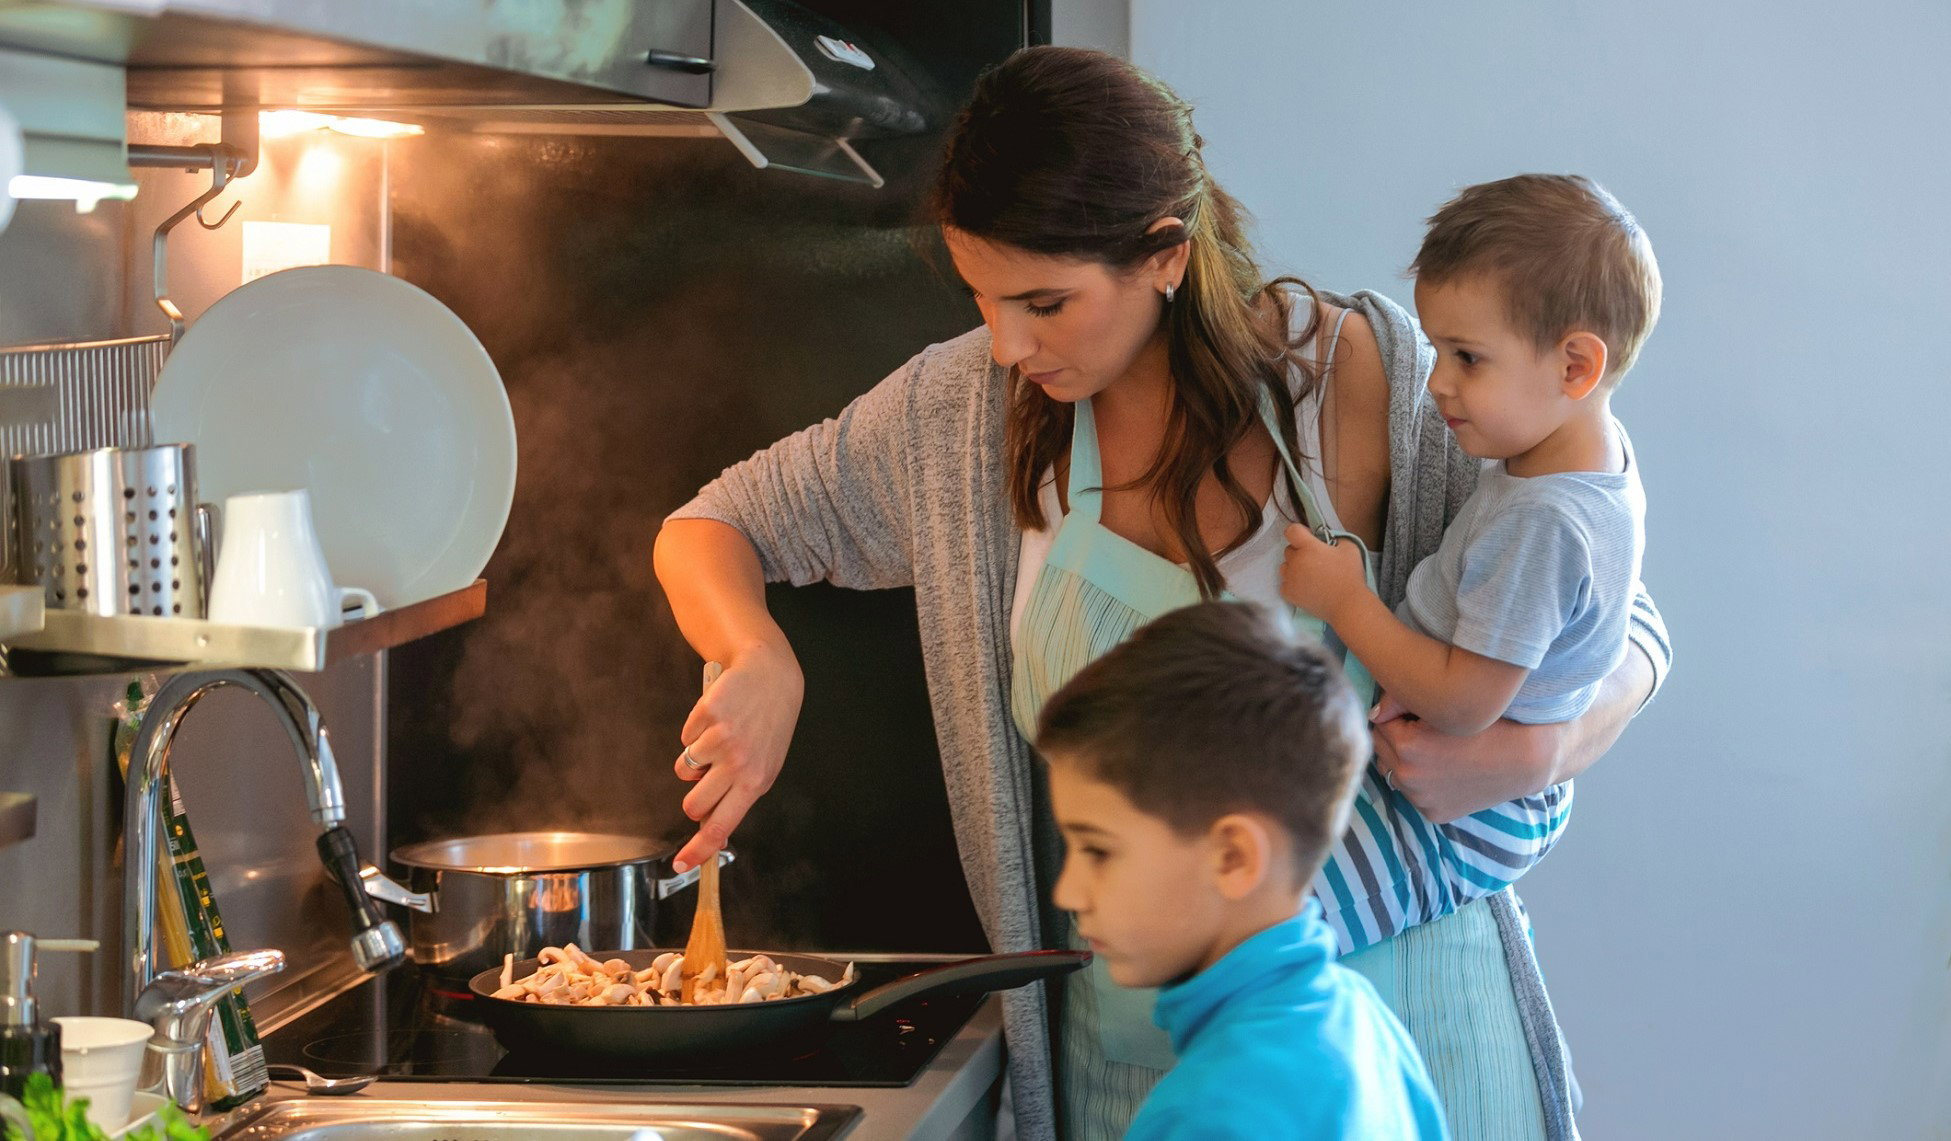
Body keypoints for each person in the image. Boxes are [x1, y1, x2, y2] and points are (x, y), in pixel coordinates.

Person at [653, 45, 1671, 1141]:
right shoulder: (962, 417)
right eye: (985, 298)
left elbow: (1625, 614)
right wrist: (758, 655)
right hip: (1135, 1066)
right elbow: (714, 524)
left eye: (1046, 300)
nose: (1007, 342)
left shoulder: (1371, 379)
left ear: (1165, 257)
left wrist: (1532, 752)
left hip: (1406, 1035)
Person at [1283, 173, 1657, 894]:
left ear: (1575, 366)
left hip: (1468, 814)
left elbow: (1464, 704)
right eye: (1434, 350)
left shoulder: (1545, 520)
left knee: (1278, 926)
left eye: (1466, 357)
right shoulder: (1579, 451)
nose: (1435, 383)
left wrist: (1343, 600)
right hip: (1476, 774)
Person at [1036, 599, 1450, 1140]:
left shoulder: (1206, 1116)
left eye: (1097, 850)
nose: (1067, 892)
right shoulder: (1365, 1022)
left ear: (1233, 858)